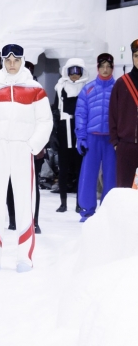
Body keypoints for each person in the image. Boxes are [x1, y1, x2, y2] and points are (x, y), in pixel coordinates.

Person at [0, 45, 53, 273]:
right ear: (2, 62)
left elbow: (45, 121)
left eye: (16, 60)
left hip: (22, 149)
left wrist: (32, 145)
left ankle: (24, 257)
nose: (12, 65)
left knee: (25, 201)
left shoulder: (35, 89)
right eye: (8, 60)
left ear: (22, 61)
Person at [75, 53, 117, 222]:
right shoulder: (88, 89)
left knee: (111, 176)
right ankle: (86, 210)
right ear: (97, 68)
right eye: (102, 66)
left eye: (108, 67)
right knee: (88, 174)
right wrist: (81, 137)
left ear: (112, 68)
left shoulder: (118, 88)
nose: (105, 70)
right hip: (92, 138)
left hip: (111, 139)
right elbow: (81, 114)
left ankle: (109, 210)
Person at [52, 58, 88, 212]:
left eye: (77, 71)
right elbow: (55, 110)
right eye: (71, 70)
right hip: (63, 129)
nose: (74, 74)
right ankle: (63, 203)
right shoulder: (60, 87)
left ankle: (79, 203)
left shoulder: (86, 88)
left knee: (80, 169)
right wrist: (53, 134)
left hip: (79, 130)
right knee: (63, 168)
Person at [109, 39, 138, 187]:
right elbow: (112, 114)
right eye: (136, 56)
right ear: (132, 57)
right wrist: (116, 142)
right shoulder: (121, 83)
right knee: (125, 190)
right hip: (126, 146)